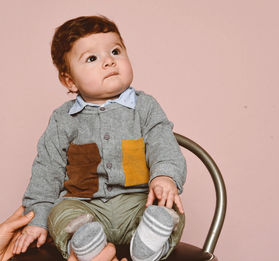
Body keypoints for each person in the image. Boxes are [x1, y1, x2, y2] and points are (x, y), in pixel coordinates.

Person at [13, 15, 186, 261]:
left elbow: (163, 144)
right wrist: (37, 219)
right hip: (86, 208)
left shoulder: (145, 107)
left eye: (115, 51)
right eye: (92, 58)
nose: (109, 62)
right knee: (61, 212)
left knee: (170, 211)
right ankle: (86, 243)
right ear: (69, 80)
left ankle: (148, 245)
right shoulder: (63, 119)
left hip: (137, 206)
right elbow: (46, 171)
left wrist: (165, 176)